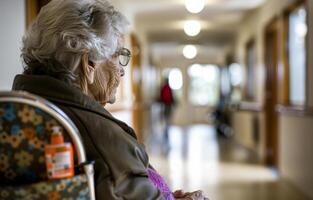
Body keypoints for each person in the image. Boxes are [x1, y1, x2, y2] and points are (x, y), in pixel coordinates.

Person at [12, 0, 209, 199]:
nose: (122, 70)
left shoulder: (19, 113)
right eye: (117, 56)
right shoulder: (103, 139)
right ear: (88, 63)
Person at [159, 77, 175, 149]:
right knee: (168, 117)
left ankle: (166, 127)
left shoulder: (163, 88)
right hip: (169, 105)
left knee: (165, 117)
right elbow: (172, 97)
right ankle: (167, 126)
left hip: (164, 104)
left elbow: (161, 96)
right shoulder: (169, 88)